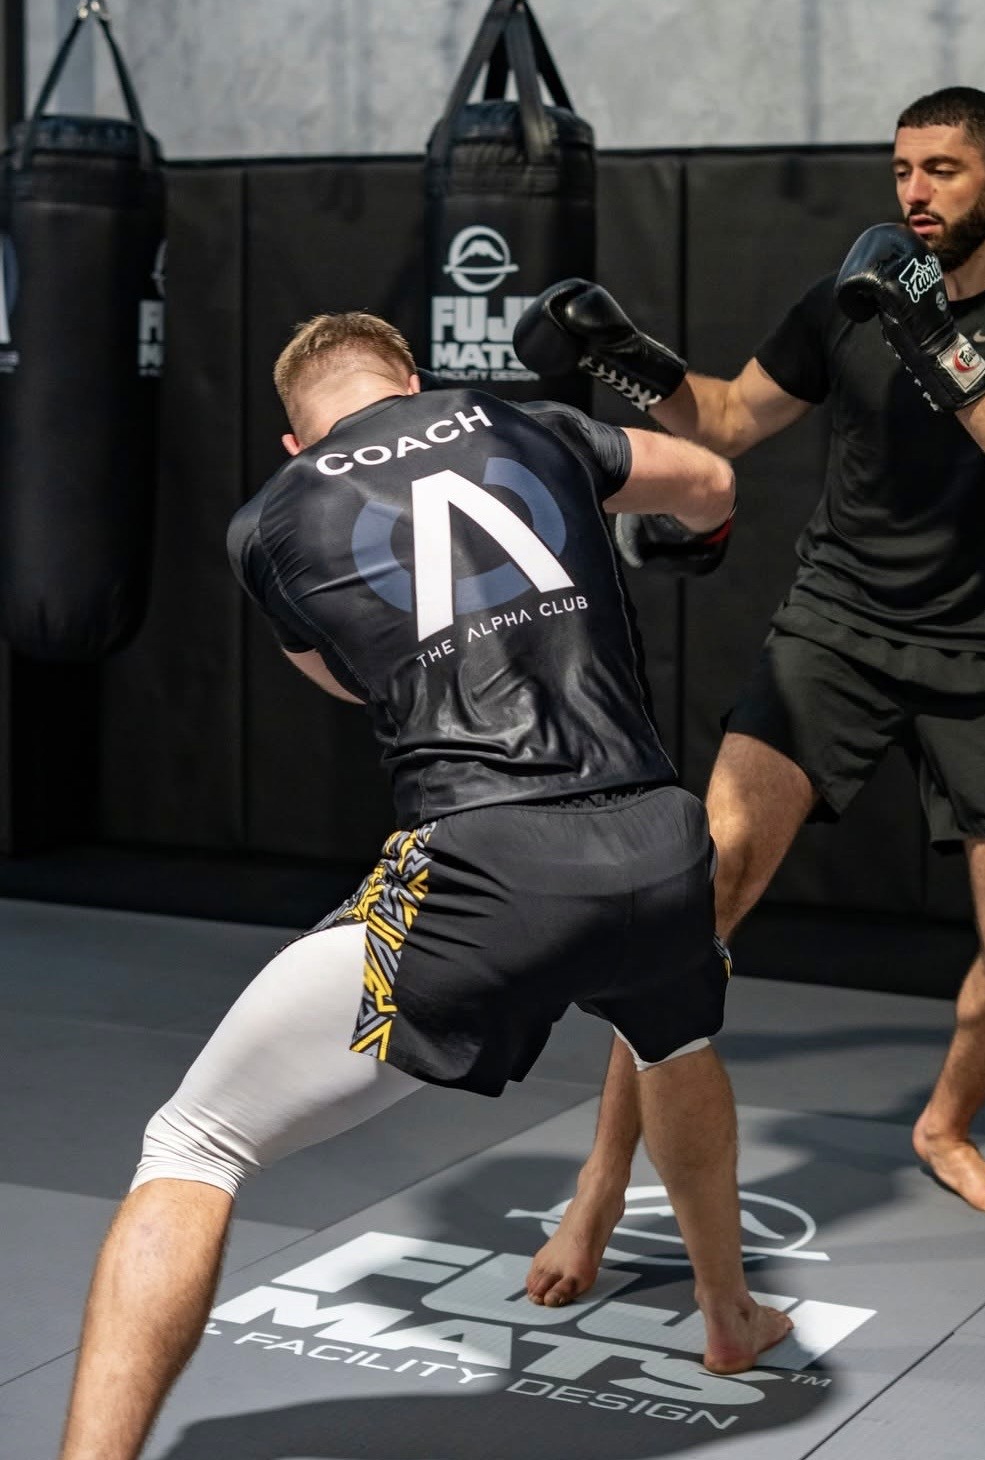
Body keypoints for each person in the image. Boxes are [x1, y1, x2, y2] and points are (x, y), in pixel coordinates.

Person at [56, 313, 790, 1460]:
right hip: (659, 842)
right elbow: (705, 476)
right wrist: (695, 537)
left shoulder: (271, 520)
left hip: (492, 866)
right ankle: (730, 1313)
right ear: (416, 382)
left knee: (193, 1143)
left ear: (296, 440)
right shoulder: (530, 424)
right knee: (673, 1041)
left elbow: (357, 677)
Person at [512, 84, 985, 1306]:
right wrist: (623, 355)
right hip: (837, 628)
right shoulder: (848, 295)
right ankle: (600, 1183)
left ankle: (943, 1124)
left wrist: (936, 337)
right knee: (701, 889)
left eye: (944, 169)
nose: (915, 191)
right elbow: (727, 416)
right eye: (903, 169)